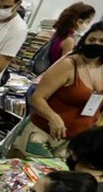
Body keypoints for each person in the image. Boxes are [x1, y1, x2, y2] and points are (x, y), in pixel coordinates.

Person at [15, 22, 103, 159]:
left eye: (101, 41)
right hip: (43, 134)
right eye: (92, 40)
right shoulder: (68, 65)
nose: (96, 44)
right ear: (85, 39)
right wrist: (53, 117)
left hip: (75, 141)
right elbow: (37, 97)